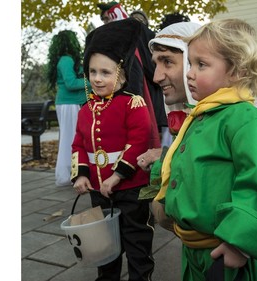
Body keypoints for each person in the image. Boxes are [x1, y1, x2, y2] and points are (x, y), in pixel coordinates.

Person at [138, 21, 257, 281]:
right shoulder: (206, 106)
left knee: (237, 235)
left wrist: (241, 241)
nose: (157, 76)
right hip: (234, 206)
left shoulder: (250, 111)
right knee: (166, 206)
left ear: (234, 70)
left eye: (168, 62)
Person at [71, 18, 154, 281]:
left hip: (130, 187)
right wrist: (81, 175)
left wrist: (117, 176)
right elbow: (78, 145)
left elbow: (139, 140)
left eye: (105, 73)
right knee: (104, 242)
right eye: (92, 72)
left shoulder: (133, 104)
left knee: (136, 240)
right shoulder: (86, 109)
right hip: (99, 190)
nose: (97, 78)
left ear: (123, 73)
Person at [97, 1, 168, 146]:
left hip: (139, 96)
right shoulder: (119, 36)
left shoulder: (134, 36)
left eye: (106, 18)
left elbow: (145, 70)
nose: (105, 23)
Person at [46, 30, 88, 187]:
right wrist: (91, 82)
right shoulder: (66, 60)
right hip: (69, 104)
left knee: (71, 139)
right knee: (71, 140)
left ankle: (74, 173)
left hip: (70, 104)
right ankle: (71, 174)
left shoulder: (66, 60)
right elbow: (70, 84)